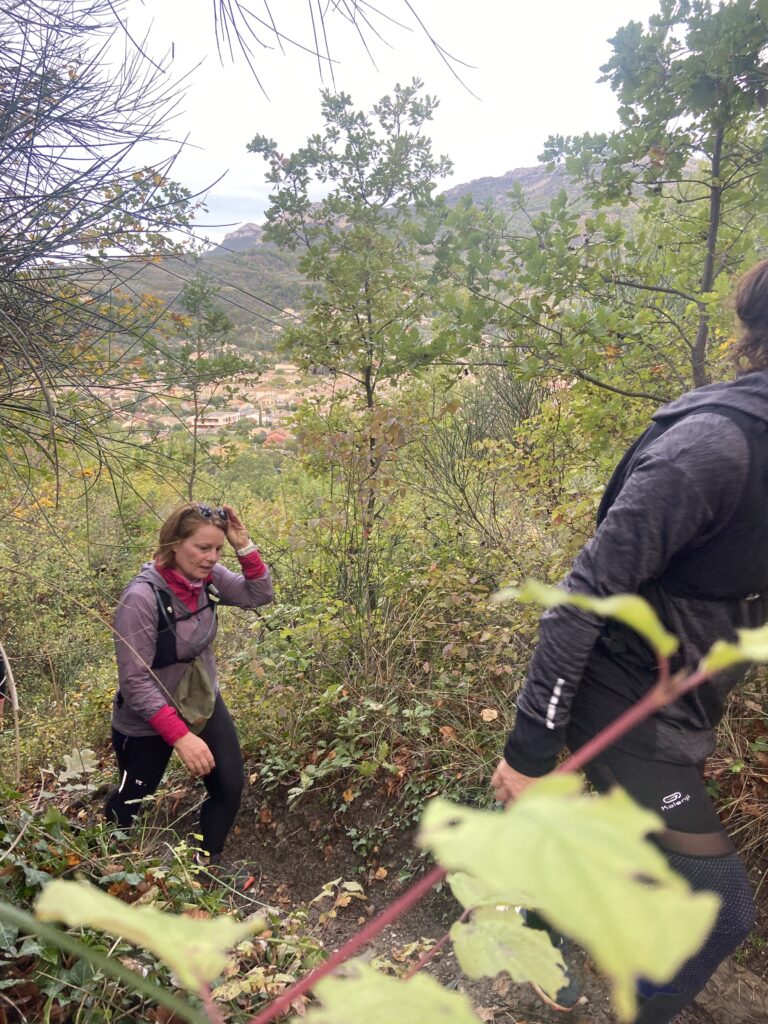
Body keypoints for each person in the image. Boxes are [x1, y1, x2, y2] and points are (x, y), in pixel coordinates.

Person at [491, 260, 768, 1023]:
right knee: (721, 909)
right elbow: (578, 601)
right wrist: (528, 752)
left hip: (683, 706)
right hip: (619, 704)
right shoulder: (711, 449)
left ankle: (540, 925)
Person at [106, 502, 273, 868]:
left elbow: (258, 595)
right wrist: (180, 737)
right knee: (134, 799)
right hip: (147, 717)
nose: (212, 557)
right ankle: (107, 866)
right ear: (175, 544)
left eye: (218, 549)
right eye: (203, 548)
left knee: (228, 785)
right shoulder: (141, 598)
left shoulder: (206, 579)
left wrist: (243, 545)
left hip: (199, 699)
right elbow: (135, 681)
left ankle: (205, 864)